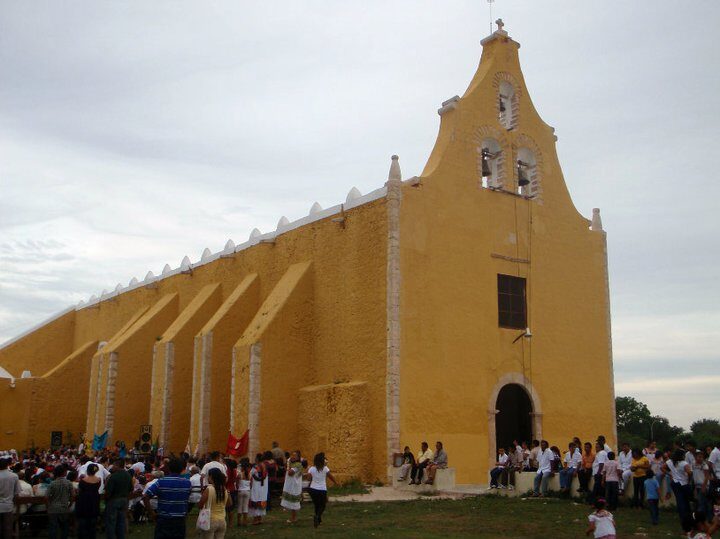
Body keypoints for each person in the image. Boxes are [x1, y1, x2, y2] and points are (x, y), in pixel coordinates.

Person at [143, 457, 191, 539]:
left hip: (163, 519)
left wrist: (152, 513)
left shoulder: (161, 482)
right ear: (182, 469)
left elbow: (146, 496)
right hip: (179, 520)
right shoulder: (187, 483)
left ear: (168, 468)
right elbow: (186, 499)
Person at [305, 452, 337, 528]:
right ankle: (317, 516)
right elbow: (330, 476)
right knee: (322, 505)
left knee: (317, 505)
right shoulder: (325, 468)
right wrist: (336, 482)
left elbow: (308, 479)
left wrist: (309, 473)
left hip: (313, 489)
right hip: (322, 489)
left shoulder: (311, 469)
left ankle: (318, 520)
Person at [196, 467, 230, 539]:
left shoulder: (209, 489)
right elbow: (229, 504)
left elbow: (200, 505)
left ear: (211, 476)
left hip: (210, 521)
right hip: (222, 521)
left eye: (208, 476)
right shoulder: (224, 489)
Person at [104, 458, 134, 539]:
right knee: (121, 522)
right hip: (124, 500)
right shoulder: (128, 475)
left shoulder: (113, 476)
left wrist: (106, 499)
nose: (112, 466)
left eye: (114, 465)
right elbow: (131, 489)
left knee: (111, 522)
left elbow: (108, 492)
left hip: (114, 500)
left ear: (117, 465)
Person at [46, 464, 74, 539]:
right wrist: (70, 504)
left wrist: (48, 506)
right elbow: (72, 495)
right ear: (64, 473)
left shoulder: (52, 484)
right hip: (64, 508)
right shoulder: (69, 483)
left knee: (53, 528)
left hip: (53, 508)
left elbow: (47, 497)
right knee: (64, 527)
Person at [665, 448, 692, 522]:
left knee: (679, 500)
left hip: (674, 482)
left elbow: (662, 468)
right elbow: (689, 473)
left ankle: (682, 517)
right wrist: (689, 481)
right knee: (685, 501)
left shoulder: (670, 462)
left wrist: (670, 474)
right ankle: (687, 516)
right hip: (684, 483)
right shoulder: (684, 463)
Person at [75, 463, 101, 539]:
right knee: (92, 524)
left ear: (87, 470)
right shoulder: (98, 480)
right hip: (94, 502)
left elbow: (79, 491)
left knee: (83, 524)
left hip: (84, 503)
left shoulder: (82, 481)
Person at [0, 457, 20, 539]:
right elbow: (16, 494)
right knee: (8, 529)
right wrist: (16, 507)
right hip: (8, 506)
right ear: (7, 465)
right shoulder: (14, 476)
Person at [280, 451, 303, 523]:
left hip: (294, 486)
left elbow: (290, 473)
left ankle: (294, 518)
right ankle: (293, 517)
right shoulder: (294, 464)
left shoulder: (297, 465)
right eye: (292, 455)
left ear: (298, 457)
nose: (292, 457)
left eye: (295, 456)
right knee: (291, 502)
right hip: (291, 485)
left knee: (294, 503)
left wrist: (288, 465)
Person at [248, 454, 268, 525]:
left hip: (256, 487)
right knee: (261, 500)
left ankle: (255, 519)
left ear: (257, 459)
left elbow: (250, 475)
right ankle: (260, 518)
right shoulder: (265, 466)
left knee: (255, 500)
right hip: (263, 487)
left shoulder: (255, 467)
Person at [693, 450, 711, 518]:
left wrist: (704, 486)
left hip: (703, 486)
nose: (699, 458)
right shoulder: (693, 464)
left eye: (701, 457)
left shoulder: (704, 465)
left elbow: (707, 476)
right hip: (697, 485)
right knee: (700, 502)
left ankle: (702, 518)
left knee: (701, 503)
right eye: (698, 457)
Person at [236, 460, 251, 527]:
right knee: (245, 507)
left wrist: (238, 488)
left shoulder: (240, 475)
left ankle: (239, 522)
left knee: (239, 507)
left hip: (240, 491)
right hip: (247, 491)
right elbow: (251, 484)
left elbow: (237, 483)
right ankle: (245, 522)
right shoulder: (250, 475)